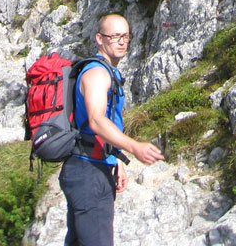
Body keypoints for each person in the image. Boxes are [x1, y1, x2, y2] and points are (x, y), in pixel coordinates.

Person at [59, 13, 164, 246]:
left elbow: (103, 122)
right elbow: (96, 120)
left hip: (89, 167)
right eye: (115, 36)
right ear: (99, 38)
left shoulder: (107, 71)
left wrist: (115, 158)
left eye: (125, 36)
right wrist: (134, 147)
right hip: (89, 173)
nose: (122, 42)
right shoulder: (97, 73)